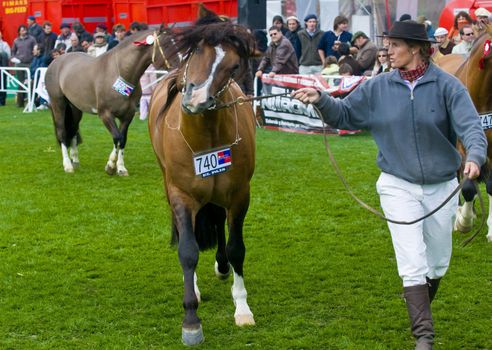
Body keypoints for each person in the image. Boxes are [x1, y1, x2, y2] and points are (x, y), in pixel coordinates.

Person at [291, 20, 487, 350]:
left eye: (395, 45)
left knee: (437, 263)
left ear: (417, 49)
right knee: (412, 261)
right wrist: (321, 99)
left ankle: (420, 303)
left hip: (442, 186)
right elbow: (343, 115)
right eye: (388, 44)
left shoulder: (448, 86)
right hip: (397, 185)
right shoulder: (377, 86)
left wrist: (475, 157)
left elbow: (472, 130)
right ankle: (423, 336)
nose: (388, 50)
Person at [11, 24, 36, 108]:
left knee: (30, 83)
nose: (23, 31)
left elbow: (35, 49)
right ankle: (19, 103)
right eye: (22, 30)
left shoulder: (32, 39)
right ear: (19, 32)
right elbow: (12, 52)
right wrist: (14, 59)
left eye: (24, 30)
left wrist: (34, 58)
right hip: (19, 64)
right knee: (20, 83)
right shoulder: (16, 41)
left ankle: (30, 101)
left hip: (30, 63)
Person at [0, 30, 10, 106]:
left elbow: (8, 55)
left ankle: (2, 101)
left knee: (3, 83)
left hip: (3, 67)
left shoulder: (4, 44)